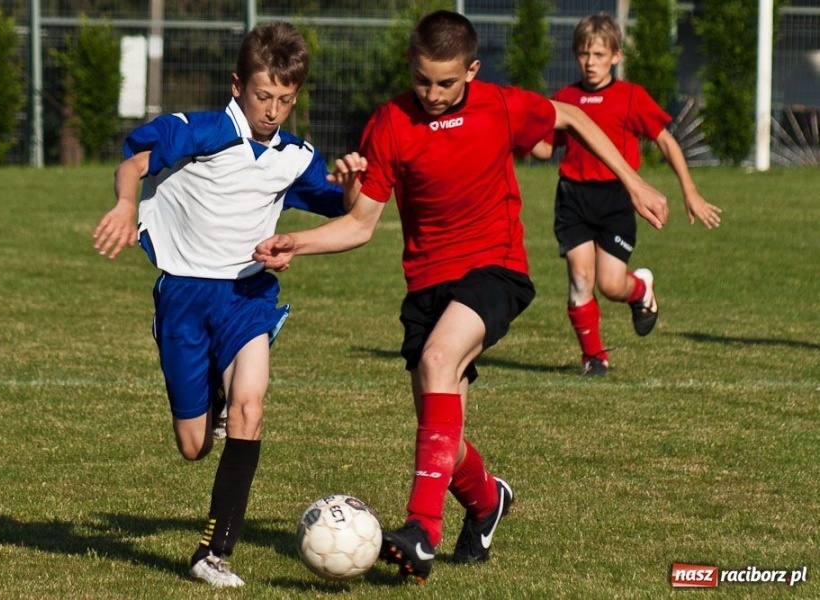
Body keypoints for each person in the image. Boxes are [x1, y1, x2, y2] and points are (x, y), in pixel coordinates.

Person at [254, 10, 668, 582]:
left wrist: (634, 180)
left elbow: (570, 116)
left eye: (447, 82)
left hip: (494, 269)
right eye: (423, 80)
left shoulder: (499, 105)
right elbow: (360, 224)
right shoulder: (390, 123)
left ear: (471, 70)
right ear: (411, 67)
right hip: (426, 285)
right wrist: (296, 242)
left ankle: (422, 532)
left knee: (438, 359)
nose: (434, 94)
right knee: (440, 443)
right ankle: (486, 500)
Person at [92, 22, 363, 588]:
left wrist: (353, 180)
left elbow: (343, 205)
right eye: (264, 96)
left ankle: (212, 553)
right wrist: (124, 205)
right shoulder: (201, 131)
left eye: (286, 100)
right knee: (193, 445)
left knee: (251, 408)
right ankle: (211, 393)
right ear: (238, 84)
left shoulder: (293, 157)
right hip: (184, 298)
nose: (273, 110)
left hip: (247, 295)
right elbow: (134, 163)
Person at [530, 13, 722, 377]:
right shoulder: (565, 98)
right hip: (572, 198)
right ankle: (595, 358)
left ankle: (640, 289)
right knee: (580, 279)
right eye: (584, 54)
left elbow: (665, 141)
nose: (591, 62)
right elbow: (544, 148)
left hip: (616, 199)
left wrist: (690, 191)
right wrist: (514, 136)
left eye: (599, 55)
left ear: (616, 56)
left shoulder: (629, 97)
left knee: (611, 284)